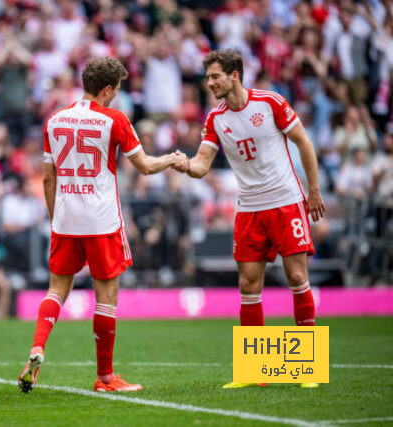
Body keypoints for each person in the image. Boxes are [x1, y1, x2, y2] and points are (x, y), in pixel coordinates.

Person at [18, 57, 186, 393]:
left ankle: (37, 348)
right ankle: (106, 378)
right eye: (117, 89)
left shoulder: (55, 119)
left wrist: (56, 218)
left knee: (56, 290)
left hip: (66, 218)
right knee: (106, 297)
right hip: (102, 220)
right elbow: (144, 166)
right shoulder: (114, 119)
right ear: (107, 89)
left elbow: (48, 177)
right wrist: (172, 159)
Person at [174, 50, 325, 389]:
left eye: (215, 76)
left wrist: (312, 190)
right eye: (208, 77)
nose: (209, 83)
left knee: (297, 276)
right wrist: (183, 164)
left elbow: (303, 142)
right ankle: (254, 373)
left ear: (234, 75)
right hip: (249, 209)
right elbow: (201, 165)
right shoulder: (215, 119)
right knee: (247, 286)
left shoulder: (270, 103)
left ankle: (307, 370)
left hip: (286, 202)